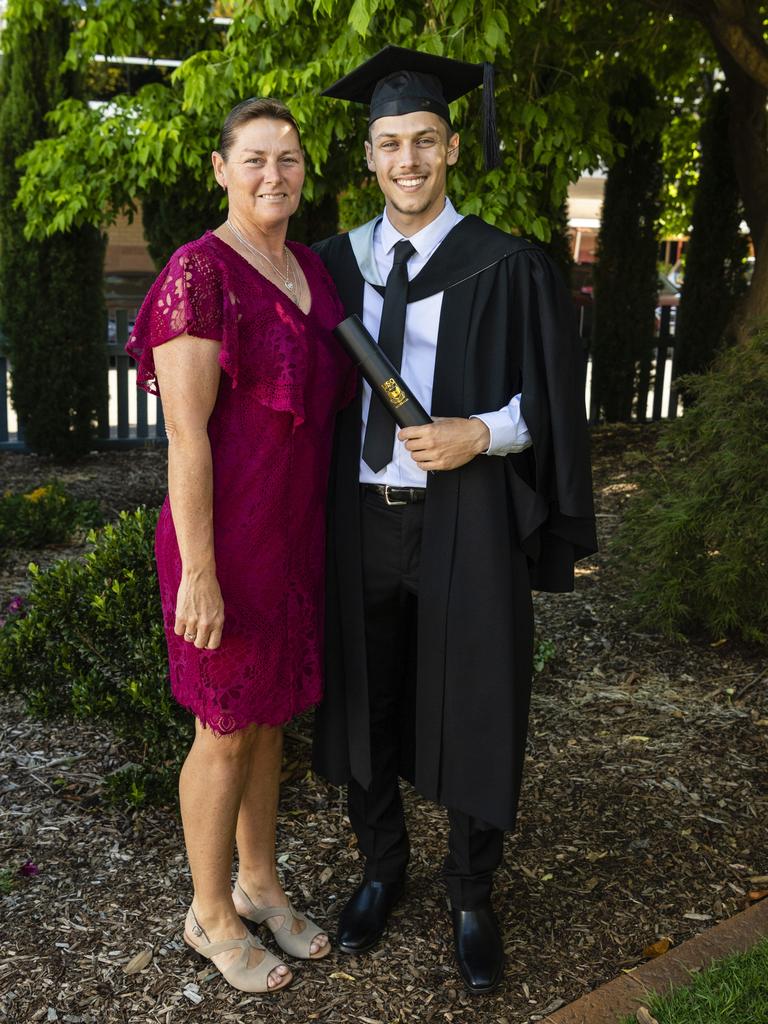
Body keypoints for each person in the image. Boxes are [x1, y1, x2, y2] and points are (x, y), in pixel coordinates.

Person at [312, 47, 597, 994]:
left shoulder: (508, 266)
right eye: (390, 143)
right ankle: (380, 869)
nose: (408, 159)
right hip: (358, 517)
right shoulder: (327, 270)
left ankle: (473, 890)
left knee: (477, 694)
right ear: (369, 157)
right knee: (368, 694)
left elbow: (552, 404)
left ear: (451, 151)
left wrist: (480, 432)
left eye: (425, 141)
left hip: (467, 516)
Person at [126, 97, 355, 995]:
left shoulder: (308, 269)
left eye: (289, 159)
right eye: (255, 158)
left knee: (268, 724)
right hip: (222, 546)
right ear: (221, 170)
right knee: (222, 731)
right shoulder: (198, 273)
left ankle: (259, 882)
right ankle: (209, 912)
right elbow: (187, 439)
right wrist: (203, 573)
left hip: (295, 540)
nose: (274, 175)